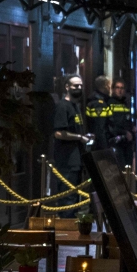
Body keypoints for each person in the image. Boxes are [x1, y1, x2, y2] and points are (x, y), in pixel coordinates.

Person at [53, 75, 91, 204]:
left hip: (77, 159)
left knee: (75, 197)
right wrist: (79, 137)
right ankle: (67, 222)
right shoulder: (62, 106)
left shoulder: (76, 106)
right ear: (67, 87)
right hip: (66, 160)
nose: (79, 88)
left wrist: (86, 136)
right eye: (75, 85)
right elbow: (58, 133)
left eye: (80, 85)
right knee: (68, 197)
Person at [108, 79, 136, 169]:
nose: (120, 90)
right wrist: (124, 133)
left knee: (128, 169)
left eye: (122, 88)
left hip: (127, 143)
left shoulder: (126, 104)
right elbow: (110, 123)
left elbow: (127, 120)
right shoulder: (109, 103)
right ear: (113, 89)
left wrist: (133, 128)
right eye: (117, 88)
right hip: (115, 142)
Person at [84, 75, 112, 153]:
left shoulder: (97, 100)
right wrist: (104, 148)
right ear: (105, 86)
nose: (110, 88)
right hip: (100, 145)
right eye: (109, 85)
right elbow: (100, 128)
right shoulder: (99, 104)